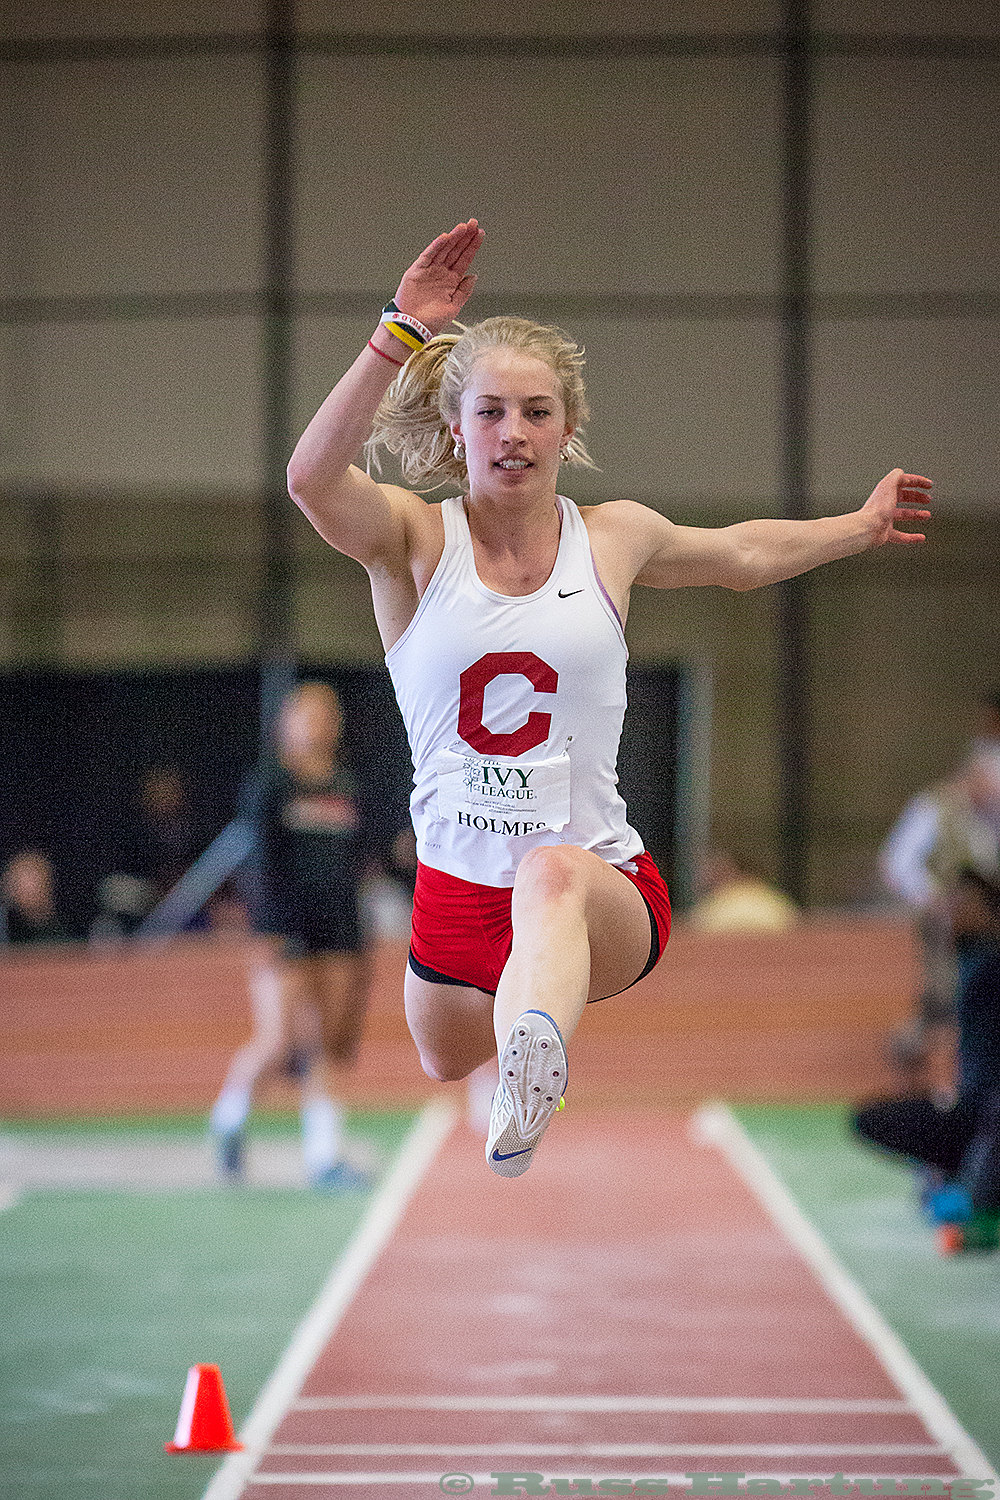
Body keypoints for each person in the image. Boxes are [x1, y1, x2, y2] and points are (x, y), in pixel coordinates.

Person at [286, 217, 931, 1178]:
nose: (514, 434)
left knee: (551, 873)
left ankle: (531, 1076)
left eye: (537, 412)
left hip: (599, 885)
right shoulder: (414, 543)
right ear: (457, 426)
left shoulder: (614, 538)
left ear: (569, 429)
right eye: (493, 412)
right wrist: (398, 333)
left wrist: (860, 525)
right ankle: (513, 1049)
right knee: (437, 1053)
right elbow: (309, 478)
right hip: (459, 889)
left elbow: (745, 554)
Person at [209, 681, 373, 1190]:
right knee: (279, 1039)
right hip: (282, 929)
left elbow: (357, 862)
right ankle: (229, 1119)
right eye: (308, 714)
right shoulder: (269, 784)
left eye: (328, 713)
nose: (320, 723)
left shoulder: (347, 785)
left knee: (323, 1043)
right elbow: (256, 863)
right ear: (287, 723)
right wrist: (265, 931)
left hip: (338, 928)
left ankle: (324, 1158)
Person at [856, 736, 1000, 1251]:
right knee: (945, 1026)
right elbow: (899, 863)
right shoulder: (938, 808)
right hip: (954, 942)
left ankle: (973, 1184)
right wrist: (937, 905)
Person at [1, 849, 70, 946]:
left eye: (33, 880)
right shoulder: (7, 926)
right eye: (20, 881)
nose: (27, 888)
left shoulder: (62, 926)